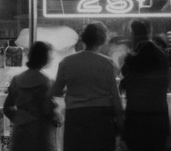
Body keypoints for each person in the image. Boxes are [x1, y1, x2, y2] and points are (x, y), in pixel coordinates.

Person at [49, 22, 123, 151]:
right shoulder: (108, 63)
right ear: (102, 40)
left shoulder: (67, 62)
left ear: (83, 38)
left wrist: (71, 89)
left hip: (76, 115)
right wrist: (120, 120)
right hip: (102, 116)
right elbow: (115, 95)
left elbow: (56, 90)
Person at [120, 20, 169, 151]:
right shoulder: (160, 54)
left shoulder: (134, 56)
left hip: (137, 118)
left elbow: (126, 80)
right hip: (158, 117)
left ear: (132, 34)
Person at [3, 41, 60, 151]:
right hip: (40, 133)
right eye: (50, 55)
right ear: (44, 58)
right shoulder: (45, 82)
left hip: (20, 132)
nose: (52, 58)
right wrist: (57, 118)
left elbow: (7, 108)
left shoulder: (16, 80)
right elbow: (49, 110)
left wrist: (20, 118)